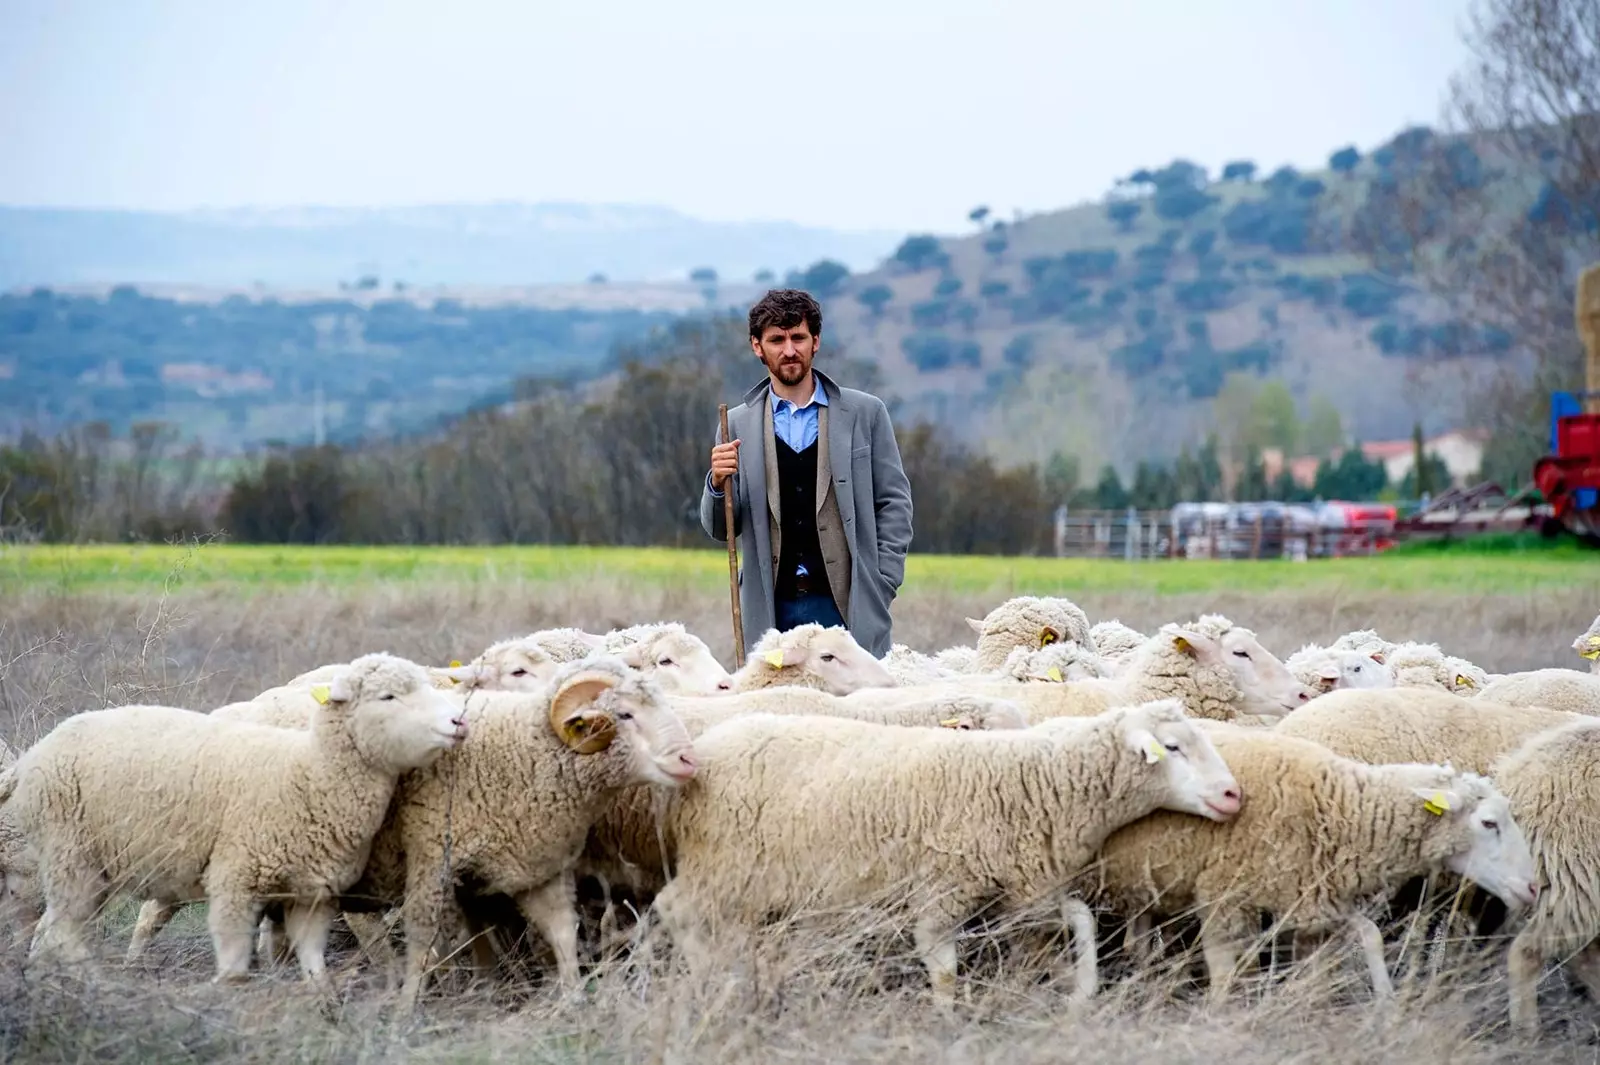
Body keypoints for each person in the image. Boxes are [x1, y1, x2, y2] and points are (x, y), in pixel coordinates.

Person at [701, 289, 912, 659]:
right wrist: (717, 485)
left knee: (855, 711)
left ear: (815, 341)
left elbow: (894, 502)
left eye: (798, 337)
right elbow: (722, 530)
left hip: (847, 607)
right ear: (757, 346)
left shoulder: (866, 413)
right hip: (770, 610)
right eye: (776, 340)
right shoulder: (734, 424)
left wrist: (882, 582)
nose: (789, 350)